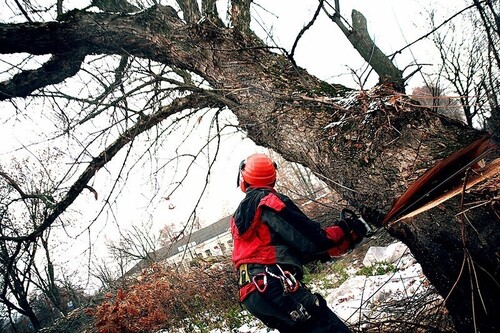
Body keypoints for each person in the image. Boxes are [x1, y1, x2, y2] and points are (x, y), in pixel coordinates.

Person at [230, 153, 368, 333]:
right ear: (272, 177)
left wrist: (328, 252)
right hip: (272, 285)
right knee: (325, 325)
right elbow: (312, 239)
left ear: (244, 177)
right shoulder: (270, 202)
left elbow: (279, 251)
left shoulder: (238, 216)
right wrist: (345, 229)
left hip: (252, 293)